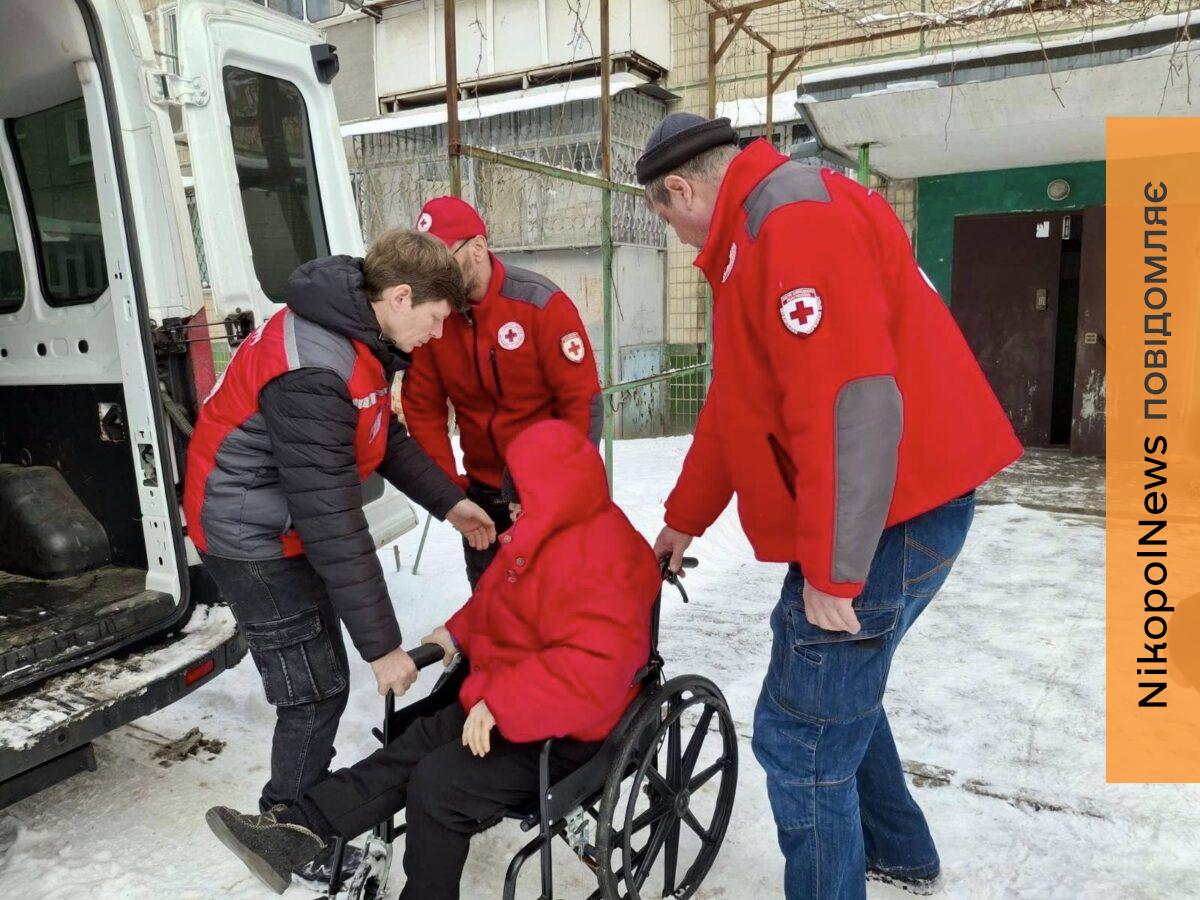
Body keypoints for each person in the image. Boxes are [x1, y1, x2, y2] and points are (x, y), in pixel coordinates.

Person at [637, 114, 1023, 899]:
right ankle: (900, 851)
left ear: (682, 188)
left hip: (888, 518)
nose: (676, 236)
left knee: (801, 738)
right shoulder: (759, 231)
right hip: (890, 508)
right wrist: (685, 517)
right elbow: (738, 404)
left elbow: (852, 407)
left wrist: (834, 570)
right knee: (838, 696)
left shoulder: (792, 225)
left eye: (666, 217)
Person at [204, 419, 661, 900]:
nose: (509, 506)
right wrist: (454, 634)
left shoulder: (605, 560)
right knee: (410, 746)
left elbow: (591, 671)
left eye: (519, 496)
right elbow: (497, 601)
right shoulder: (547, 533)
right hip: (514, 703)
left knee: (438, 786)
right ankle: (293, 834)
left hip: (570, 733)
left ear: (553, 491)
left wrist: (501, 703)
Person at [182, 229, 496, 886]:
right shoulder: (314, 372)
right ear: (401, 296)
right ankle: (288, 833)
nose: (438, 334)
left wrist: (451, 503)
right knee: (314, 686)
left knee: (317, 676)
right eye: (436, 318)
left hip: (280, 523)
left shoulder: (360, 334)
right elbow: (333, 521)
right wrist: (384, 648)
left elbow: (382, 438)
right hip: (249, 534)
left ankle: (294, 819)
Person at [402, 196, 603, 589]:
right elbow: (422, 407)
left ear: (477, 247)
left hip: (548, 493)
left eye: (441, 259)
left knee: (555, 605)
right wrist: (450, 492)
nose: (431, 275)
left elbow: (581, 404)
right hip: (482, 497)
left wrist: (554, 489)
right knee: (490, 608)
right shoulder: (434, 318)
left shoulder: (539, 304)